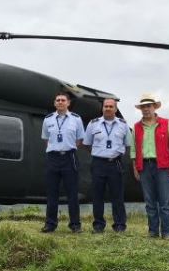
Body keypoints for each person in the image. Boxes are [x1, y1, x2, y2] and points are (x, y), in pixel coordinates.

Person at [129, 93, 169, 240]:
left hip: (163, 166)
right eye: (143, 107)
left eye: (148, 106)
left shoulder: (166, 123)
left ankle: (166, 232)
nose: (145, 109)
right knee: (149, 201)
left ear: (154, 107)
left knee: (164, 201)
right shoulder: (137, 127)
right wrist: (135, 168)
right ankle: (152, 231)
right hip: (144, 166)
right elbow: (133, 149)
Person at [83, 98, 132, 233]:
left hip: (115, 163)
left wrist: (115, 154)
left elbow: (128, 145)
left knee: (117, 196)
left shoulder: (123, 125)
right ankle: (98, 225)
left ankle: (119, 225)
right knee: (97, 195)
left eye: (111, 106)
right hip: (98, 163)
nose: (108, 109)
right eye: (106, 106)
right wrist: (100, 153)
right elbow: (86, 143)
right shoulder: (93, 124)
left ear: (115, 109)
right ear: (102, 108)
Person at [41, 91, 85, 233]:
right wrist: (56, 148)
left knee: (72, 193)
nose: (60, 102)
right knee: (51, 192)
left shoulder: (76, 119)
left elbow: (79, 140)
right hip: (52, 158)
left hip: (69, 157)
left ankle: (75, 225)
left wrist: (66, 148)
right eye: (58, 100)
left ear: (68, 103)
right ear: (54, 103)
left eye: (63, 100)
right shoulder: (48, 119)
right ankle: (50, 224)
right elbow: (46, 139)